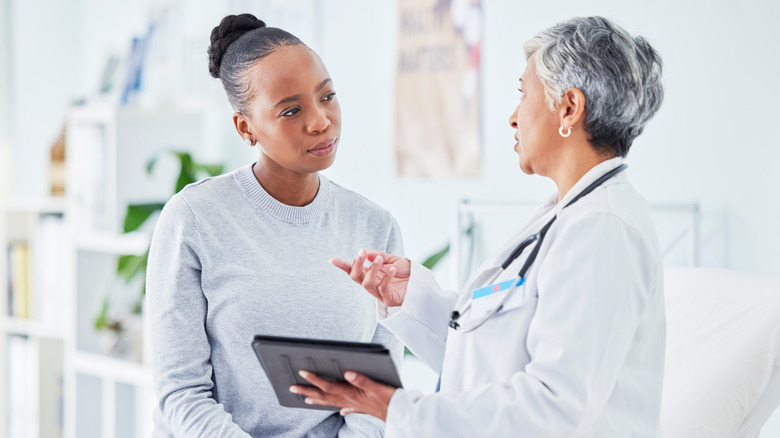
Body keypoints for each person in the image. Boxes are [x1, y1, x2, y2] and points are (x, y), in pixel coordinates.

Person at [291, 16, 666, 437]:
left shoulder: (603, 229)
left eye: (523, 94)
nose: (513, 117)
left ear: (569, 108)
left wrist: (399, 409)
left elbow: (555, 408)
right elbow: (486, 361)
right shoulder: (567, 216)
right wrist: (413, 297)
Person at [146, 13, 404, 437]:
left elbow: (377, 394)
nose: (320, 120)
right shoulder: (194, 218)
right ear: (246, 128)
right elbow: (181, 393)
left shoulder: (376, 226)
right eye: (290, 110)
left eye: (328, 96)